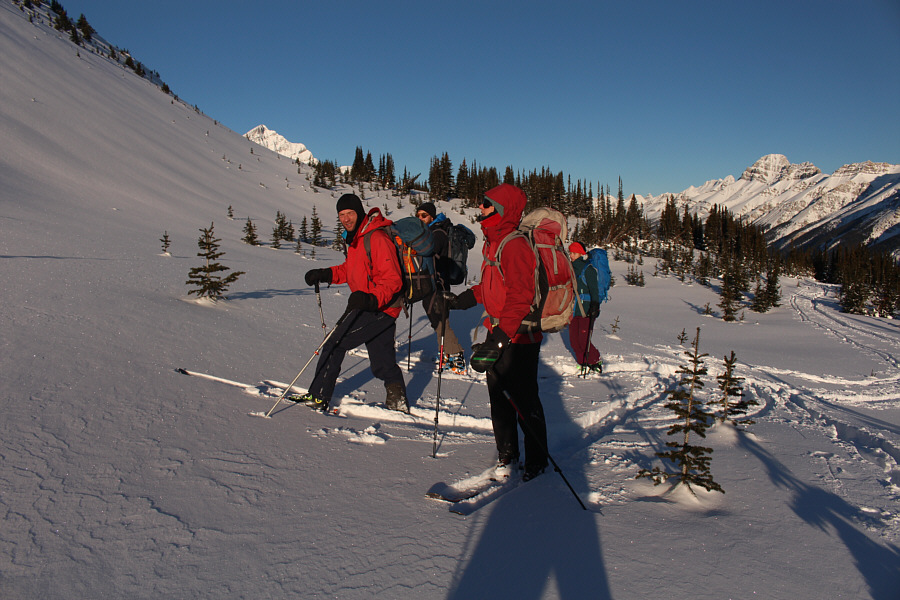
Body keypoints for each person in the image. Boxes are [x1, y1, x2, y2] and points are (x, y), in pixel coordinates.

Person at [447, 184, 549, 482]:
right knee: (499, 399)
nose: (481, 209)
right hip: (499, 331)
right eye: (482, 203)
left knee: (524, 400)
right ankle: (507, 457)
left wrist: (500, 339)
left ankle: (537, 463)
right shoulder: (495, 242)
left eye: (487, 204)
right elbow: (493, 287)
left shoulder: (515, 244)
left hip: (519, 337)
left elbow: (521, 295)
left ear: (502, 209)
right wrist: (463, 300)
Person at [300, 193, 410, 413]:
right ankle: (398, 401)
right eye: (341, 214)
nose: (346, 218)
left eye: (350, 213)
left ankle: (318, 397)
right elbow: (351, 270)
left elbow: (393, 279)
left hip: (379, 306)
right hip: (374, 305)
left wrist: (370, 299)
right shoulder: (357, 239)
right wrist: (325, 274)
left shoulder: (376, 238)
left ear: (359, 213)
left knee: (334, 343)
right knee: (382, 362)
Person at [415, 201, 466, 374]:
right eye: (418, 215)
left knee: (440, 321)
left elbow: (429, 252)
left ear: (431, 216)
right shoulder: (434, 230)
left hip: (438, 283)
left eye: (424, 215)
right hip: (437, 282)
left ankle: (456, 356)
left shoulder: (437, 232)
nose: (420, 218)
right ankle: (447, 354)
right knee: (438, 319)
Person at [568, 242, 603, 375]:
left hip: (586, 310)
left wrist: (595, 305)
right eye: (570, 253)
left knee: (583, 340)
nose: (571, 255)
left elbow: (594, 289)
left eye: (574, 253)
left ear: (581, 254)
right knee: (574, 340)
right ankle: (583, 362)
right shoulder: (570, 268)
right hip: (573, 309)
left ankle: (595, 360)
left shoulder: (588, 269)